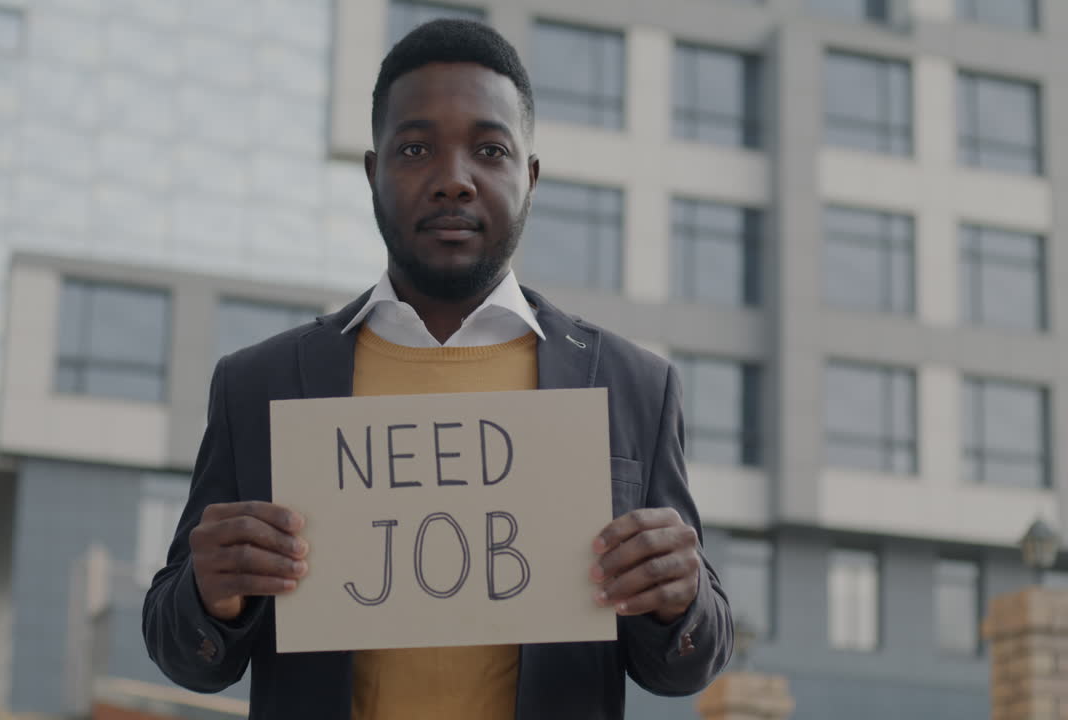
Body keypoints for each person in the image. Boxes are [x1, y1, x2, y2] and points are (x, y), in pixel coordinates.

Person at [142, 19, 733, 720]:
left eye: (490, 150)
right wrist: (209, 592)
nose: (454, 180)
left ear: (530, 177)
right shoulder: (260, 386)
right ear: (373, 173)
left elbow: (684, 665)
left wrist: (679, 600)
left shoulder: (633, 386)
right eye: (417, 148)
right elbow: (183, 652)